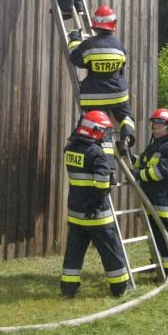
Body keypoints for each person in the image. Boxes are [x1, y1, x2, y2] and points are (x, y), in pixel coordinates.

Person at [60, 110, 130, 298]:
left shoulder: (71, 149)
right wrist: (97, 203)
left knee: (73, 253)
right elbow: (102, 184)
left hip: (76, 214)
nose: (104, 135)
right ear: (95, 130)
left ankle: (68, 289)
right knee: (110, 252)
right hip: (97, 215)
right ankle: (119, 287)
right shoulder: (97, 153)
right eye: (103, 131)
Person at [67, 4, 135, 148]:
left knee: (102, 126)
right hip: (118, 94)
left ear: (95, 25)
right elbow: (122, 66)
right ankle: (127, 135)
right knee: (126, 117)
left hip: (94, 96)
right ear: (112, 24)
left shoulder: (89, 45)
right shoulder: (119, 46)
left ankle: (107, 153)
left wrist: (74, 40)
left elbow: (75, 59)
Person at [131, 108, 168, 279]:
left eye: (159, 123)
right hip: (152, 199)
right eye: (153, 123)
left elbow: (159, 172)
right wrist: (127, 155)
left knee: (167, 235)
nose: (154, 126)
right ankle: (159, 264)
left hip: (165, 201)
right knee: (155, 236)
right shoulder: (154, 145)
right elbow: (142, 162)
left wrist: (138, 175)